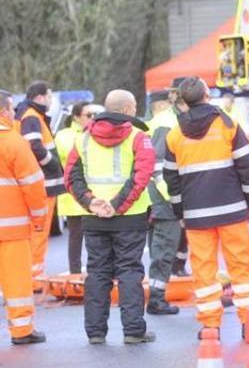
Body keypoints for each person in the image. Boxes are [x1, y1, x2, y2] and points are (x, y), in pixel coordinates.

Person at [162, 78, 249, 341]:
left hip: (196, 216)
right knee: (241, 268)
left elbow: (171, 180)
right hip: (232, 211)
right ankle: (248, 324)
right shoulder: (227, 124)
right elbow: (247, 166)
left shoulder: (175, 134)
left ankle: (209, 328)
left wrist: (180, 214)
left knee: (204, 271)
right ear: (207, 94)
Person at [65, 90, 157, 344]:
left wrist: (90, 202)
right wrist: (116, 206)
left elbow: (71, 177)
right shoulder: (139, 137)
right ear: (128, 110)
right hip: (130, 216)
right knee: (129, 271)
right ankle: (133, 331)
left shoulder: (83, 139)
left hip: (94, 218)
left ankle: (95, 332)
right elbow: (141, 177)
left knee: (97, 271)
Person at [0, 90, 49, 345]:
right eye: (10, 110)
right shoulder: (12, 141)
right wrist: (39, 218)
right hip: (11, 229)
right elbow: (32, 183)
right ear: (4, 112)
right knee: (16, 280)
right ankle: (21, 330)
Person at [143, 81, 186, 316]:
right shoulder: (168, 123)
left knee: (159, 246)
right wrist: (172, 197)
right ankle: (157, 299)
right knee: (164, 246)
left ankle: (156, 294)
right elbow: (158, 164)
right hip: (163, 197)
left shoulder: (163, 121)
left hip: (155, 196)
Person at [16, 81, 63, 286]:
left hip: (38, 182)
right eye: (50, 96)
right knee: (39, 231)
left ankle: (31, 276)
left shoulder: (29, 115)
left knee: (36, 232)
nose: (51, 101)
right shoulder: (32, 117)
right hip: (43, 183)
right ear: (40, 97)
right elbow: (34, 146)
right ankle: (33, 279)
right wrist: (51, 164)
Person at [54, 101, 98, 274]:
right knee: (76, 238)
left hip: (94, 194)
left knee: (95, 239)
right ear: (76, 117)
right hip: (73, 197)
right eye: (88, 115)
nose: (92, 118)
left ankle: (96, 273)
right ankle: (75, 274)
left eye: (94, 115)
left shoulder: (95, 133)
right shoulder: (65, 136)